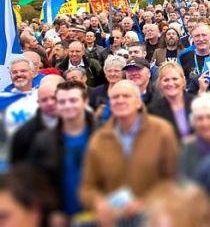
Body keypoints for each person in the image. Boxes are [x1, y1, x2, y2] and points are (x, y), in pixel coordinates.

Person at [79, 80, 179, 225]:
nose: (120, 100)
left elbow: (174, 180)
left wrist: (146, 202)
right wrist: (99, 203)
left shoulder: (162, 131)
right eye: (115, 97)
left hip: (154, 218)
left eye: (126, 96)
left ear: (139, 102)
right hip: (114, 219)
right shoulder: (98, 140)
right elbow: (87, 187)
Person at [29, 80, 97, 219]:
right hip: (61, 217)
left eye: (73, 100)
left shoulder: (104, 135)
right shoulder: (43, 141)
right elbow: (37, 182)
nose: (67, 106)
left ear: (85, 102)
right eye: (62, 101)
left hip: (99, 215)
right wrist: (51, 213)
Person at [9, 75, 63, 165]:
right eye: (44, 100)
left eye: (54, 98)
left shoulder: (79, 124)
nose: (50, 103)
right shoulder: (24, 134)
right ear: (38, 102)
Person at [148, 62, 194, 140]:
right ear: (160, 84)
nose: (171, 83)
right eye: (166, 80)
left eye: (175, 79)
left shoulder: (196, 104)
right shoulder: (152, 110)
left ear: (183, 81)